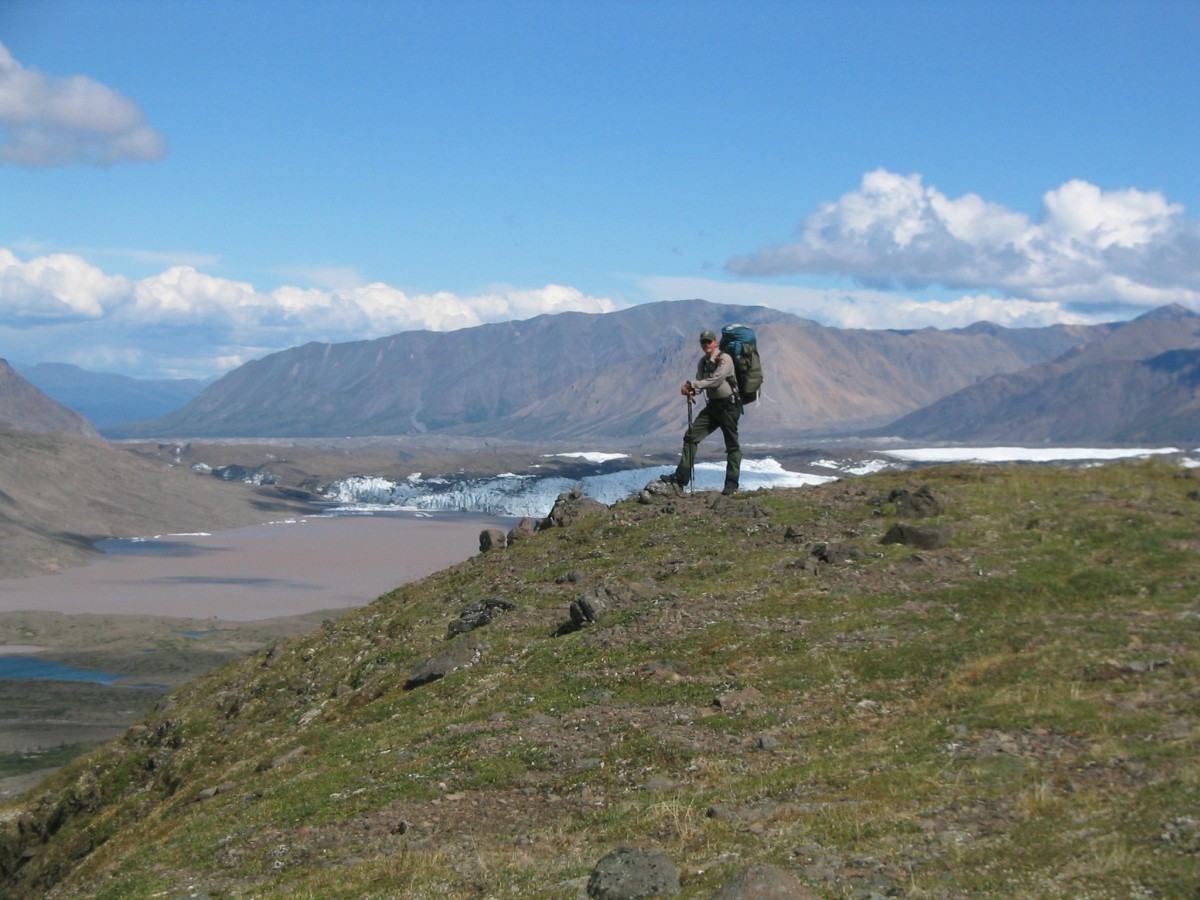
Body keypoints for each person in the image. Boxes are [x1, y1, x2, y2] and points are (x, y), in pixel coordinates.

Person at [662, 329, 742, 495]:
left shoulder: (724, 359)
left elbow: (716, 381)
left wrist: (693, 385)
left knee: (732, 445)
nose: (706, 344)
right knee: (691, 436)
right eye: (703, 342)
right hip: (713, 406)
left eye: (709, 341)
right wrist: (692, 390)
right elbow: (701, 382)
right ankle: (681, 478)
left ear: (716, 342)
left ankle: (731, 484)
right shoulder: (703, 362)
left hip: (728, 406)